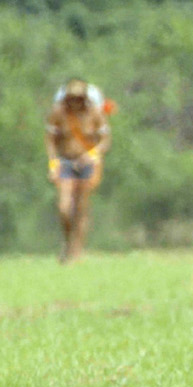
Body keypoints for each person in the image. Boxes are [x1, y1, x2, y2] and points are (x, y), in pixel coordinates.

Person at [46, 79, 110, 264]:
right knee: (64, 207)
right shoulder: (58, 114)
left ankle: (77, 250)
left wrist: (93, 154)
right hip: (66, 162)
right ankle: (67, 242)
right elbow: (50, 140)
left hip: (87, 163)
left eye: (78, 98)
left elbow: (105, 139)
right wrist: (53, 164)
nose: (75, 102)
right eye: (72, 98)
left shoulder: (94, 114)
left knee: (81, 207)